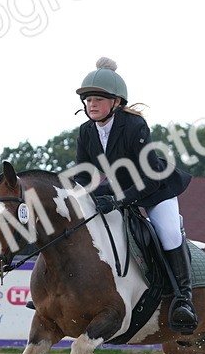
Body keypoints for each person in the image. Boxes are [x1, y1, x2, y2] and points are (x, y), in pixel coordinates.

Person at [71, 57, 196, 333]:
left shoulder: (134, 126)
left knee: (169, 234)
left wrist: (119, 200)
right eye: (88, 99)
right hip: (118, 189)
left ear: (116, 102)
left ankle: (183, 299)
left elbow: (150, 177)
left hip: (155, 189)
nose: (91, 104)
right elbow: (83, 174)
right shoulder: (86, 131)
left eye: (98, 99)